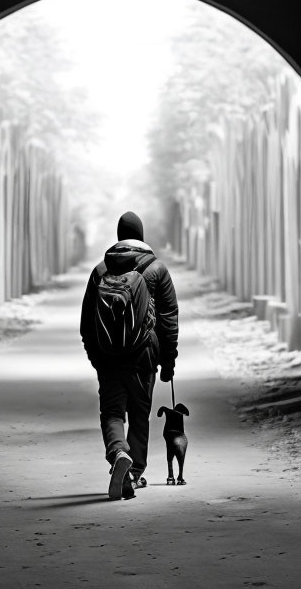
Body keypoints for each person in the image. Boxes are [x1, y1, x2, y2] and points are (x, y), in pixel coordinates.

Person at [80, 211, 178, 500]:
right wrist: (168, 360)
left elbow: (87, 322)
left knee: (111, 412)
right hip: (144, 354)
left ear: (120, 236)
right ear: (142, 235)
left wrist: (95, 356)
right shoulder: (156, 268)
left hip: (108, 357)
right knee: (139, 414)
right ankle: (134, 473)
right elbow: (168, 317)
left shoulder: (100, 270)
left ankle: (118, 452)